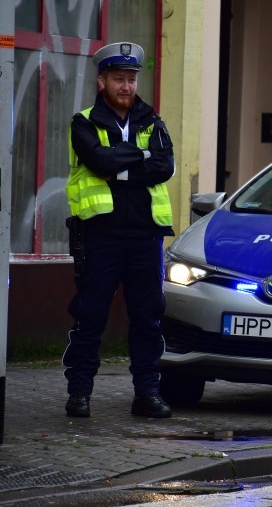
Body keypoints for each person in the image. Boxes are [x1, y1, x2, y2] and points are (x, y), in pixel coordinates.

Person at [63, 41, 176, 419]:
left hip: (146, 235)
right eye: (118, 79)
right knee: (90, 314)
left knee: (147, 316)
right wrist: (139, 158)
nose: (126, 87)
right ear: (102, 81)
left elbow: (164, 166)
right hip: (101, 235)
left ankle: (147, 394)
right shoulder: (84, 122)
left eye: (130, 79)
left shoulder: (152, 119)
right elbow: (97, 159)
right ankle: (79, 393)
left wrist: (120, 167)